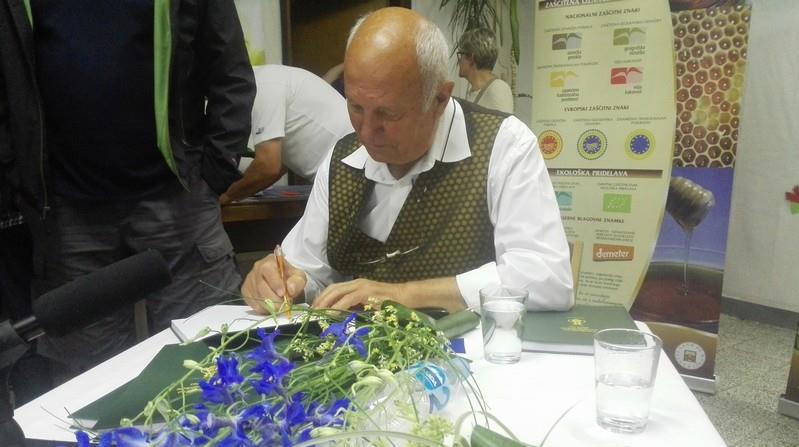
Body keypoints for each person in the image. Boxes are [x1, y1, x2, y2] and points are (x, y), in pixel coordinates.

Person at [241, 7, 572, 314]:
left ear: (440, 98)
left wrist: (406, 294)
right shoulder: (342, 159)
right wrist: (282, 282)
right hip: (359, 353)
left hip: (467, 354)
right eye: (355, 107)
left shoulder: (502, 145)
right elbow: (307, 270)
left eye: (388, 114)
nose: (366, 131)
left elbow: (548, 279)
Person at [0, 0, 255, 376]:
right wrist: (18, 176)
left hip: (178, 202)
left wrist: (217, 169)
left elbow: (230, 71)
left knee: (213, 361)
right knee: (89, 383)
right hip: (69, 218)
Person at [221, 65, 353, 204]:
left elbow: (268, 166)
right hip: (347, 174)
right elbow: (277, 165)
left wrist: (226, 196)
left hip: (348, 176)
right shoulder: (271, 78)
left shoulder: (262, 86)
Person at [456, 27, 515, 113]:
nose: (459, 61)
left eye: (461, 55)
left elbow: (503, 121)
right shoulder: (473, 91)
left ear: (471, 58)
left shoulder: (498, 89)